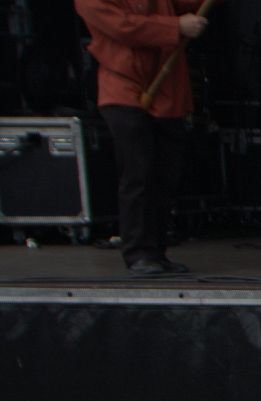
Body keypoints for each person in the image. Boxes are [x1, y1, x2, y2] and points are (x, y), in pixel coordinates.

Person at [75, 0, 208, 275]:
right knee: (138, 174)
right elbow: (122, 27)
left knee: (165, 176)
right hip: (124, 89)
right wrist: (176, 26)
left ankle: (157, 251)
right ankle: (138, 252)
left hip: (166, 90)